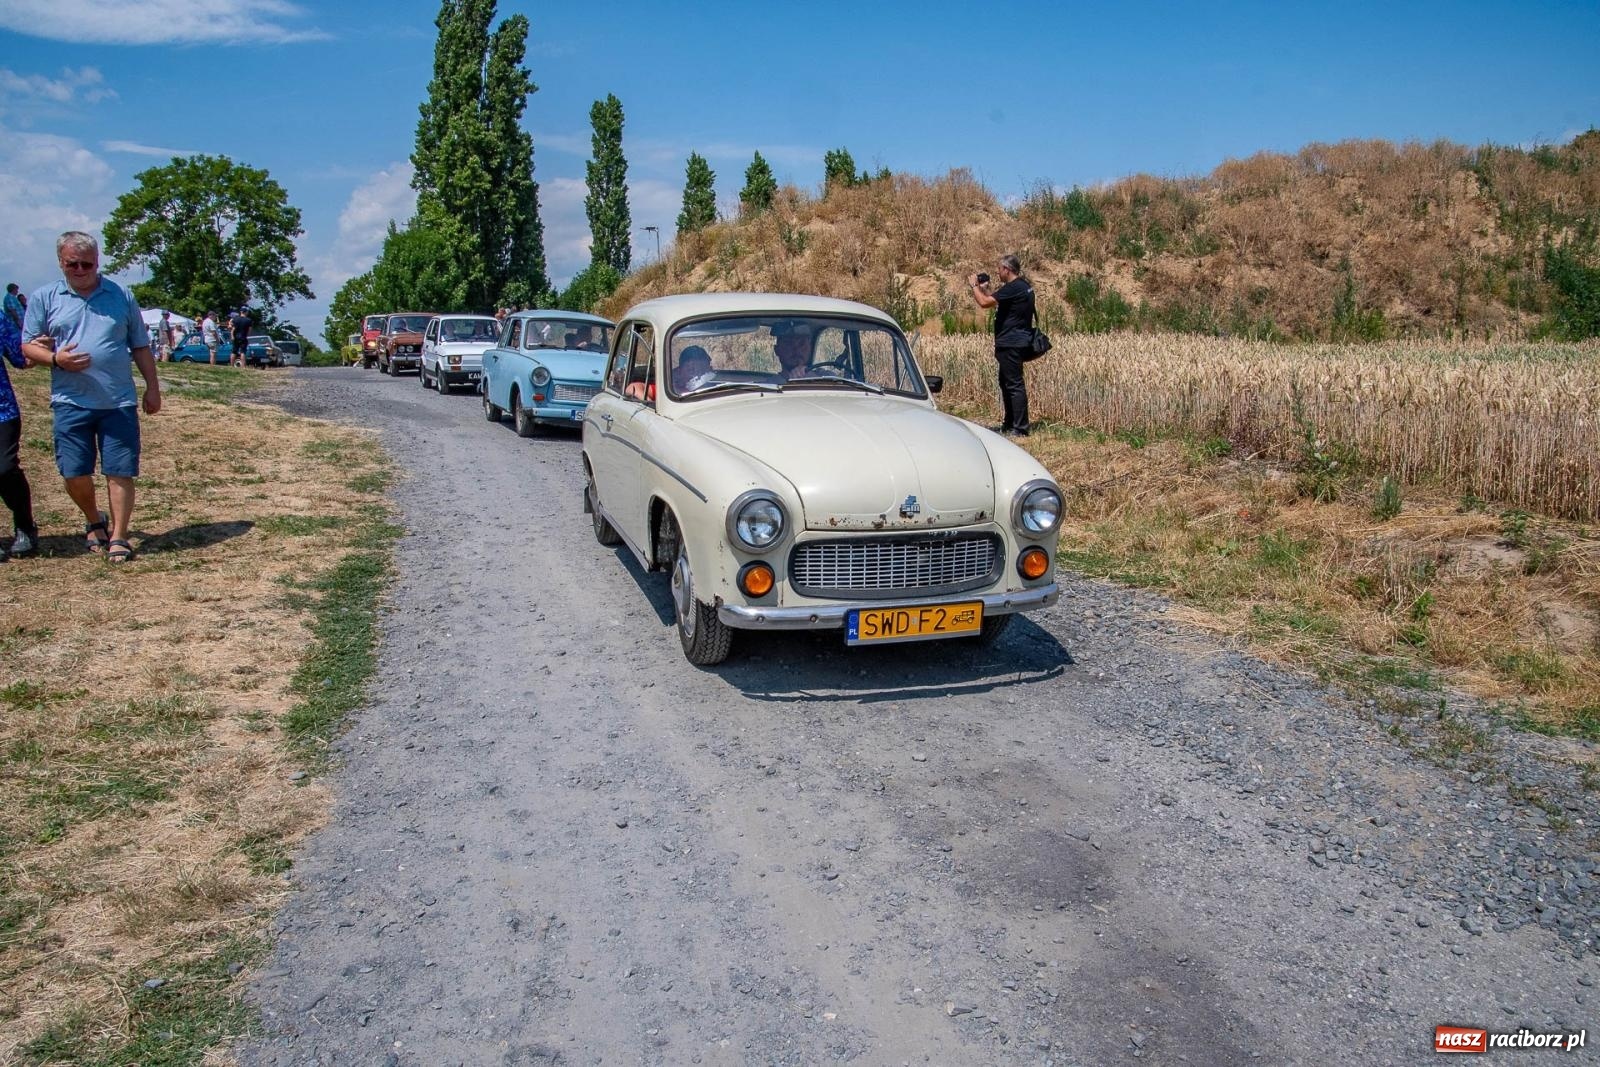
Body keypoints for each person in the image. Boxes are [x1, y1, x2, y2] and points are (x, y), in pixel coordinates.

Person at [21, 231, 161, 563]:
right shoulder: (45, 298)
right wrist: (56, 360)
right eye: (74, 264)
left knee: (120, 469)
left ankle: (119, 536)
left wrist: (152, 388)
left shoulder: (120, 295)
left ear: (98, 262)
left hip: (118, 401)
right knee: (74, 472)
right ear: (61, 262)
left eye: (88, 264)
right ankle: (94, 519)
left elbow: (140, 345)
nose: (81, 270)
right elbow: (27, 346)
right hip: (70, 401)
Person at [969, 253, 1035, 437]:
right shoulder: (1023, 286)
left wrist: (974, 286)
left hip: (1011, 343)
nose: (997, 272)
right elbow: (996, 302)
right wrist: (985, 289)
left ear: (1007, 270)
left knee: (1013, 384)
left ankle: (1020, 428)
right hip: (1016, 341)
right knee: (1006, 382)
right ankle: (1010, 423)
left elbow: (984, 303)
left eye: (999, 269)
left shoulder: (1013, 287)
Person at [0, 302, 39, 560]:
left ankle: (25, 525)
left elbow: (19, 355)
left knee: (3, 468)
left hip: (2, 410)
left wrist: (41, 350)